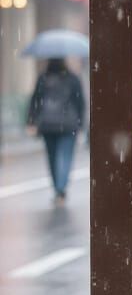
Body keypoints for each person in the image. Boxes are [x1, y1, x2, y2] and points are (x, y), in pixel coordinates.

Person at [25, 57, 85, 204]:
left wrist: (31, 121)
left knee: (52, 158)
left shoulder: (43, 78)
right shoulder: (73, 79)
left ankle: (57, 188)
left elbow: (35, 100)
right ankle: (60, 188)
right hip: (68, 125)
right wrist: (81, 124)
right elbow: (80, 103)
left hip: (48, 124)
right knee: (65, 157)